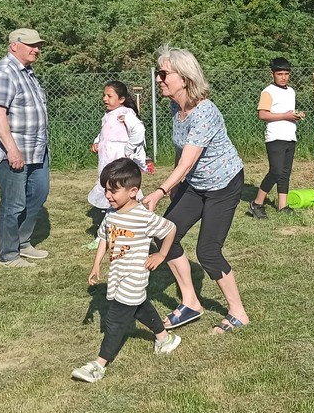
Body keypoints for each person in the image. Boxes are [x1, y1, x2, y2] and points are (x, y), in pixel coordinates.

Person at [143, 45, 249, 334]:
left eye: (163, 74)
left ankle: (238, 312)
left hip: (224, 184)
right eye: (158, 73)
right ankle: (191, 302)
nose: (158, 79)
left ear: (184, 77)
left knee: (208, 251)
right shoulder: (175, 108)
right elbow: (182, 153)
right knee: (164, 232)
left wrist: (160, 191)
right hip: (195, 184)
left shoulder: (205, 112)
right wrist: (177, 190)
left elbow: (188, 164)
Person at [72, 158, 180, 383]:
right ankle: (164, 339)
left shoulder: (143, 217)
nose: (108, 196)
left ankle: (98, 365)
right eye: (106, 191)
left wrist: (160, 255)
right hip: (117, 274)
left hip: (135, 275)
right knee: (139, 306)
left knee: (116, 319)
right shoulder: (111, 215)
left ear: (133, 191)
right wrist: (96, 264)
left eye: (113, 191)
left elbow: (170, 229)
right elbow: (103, 237)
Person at [0, 28, 51, 268]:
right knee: (13, 204)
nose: (37, 49)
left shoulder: (28, 72)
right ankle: (9, 254)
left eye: (39, 45)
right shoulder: (4, 72)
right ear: (14, 45)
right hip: (14, 152)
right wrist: (12, 150)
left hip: (37, 150)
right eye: (31, 45)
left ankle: (23, 242)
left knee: (38, 194)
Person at [248, 57, 304, 218]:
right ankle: (257, 203)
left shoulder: (291, 91)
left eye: (286, 73)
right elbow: (262, 114)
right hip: (275, 137)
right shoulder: (268, 92)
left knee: (285, 172)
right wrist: (285, 116)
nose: (283, 77)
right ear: (272, 74)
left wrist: (295, 115)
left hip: (290, 136)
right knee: (276, 171)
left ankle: (282, 206)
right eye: (279, 73)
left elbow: (288, 113)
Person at [88, 82, 147, 210]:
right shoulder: (109, 114)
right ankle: (112, 214)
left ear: (121, 99)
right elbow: (105, 132)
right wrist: (98, 141)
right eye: (104, 95)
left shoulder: (125, 113)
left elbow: (139, 130)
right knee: (110, 183)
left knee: (120, 185)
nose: (105, 99)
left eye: (109, 96)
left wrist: (129, 149)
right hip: (107, 158)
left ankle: (130, 213)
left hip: (118, 158)